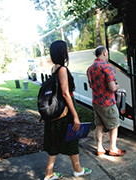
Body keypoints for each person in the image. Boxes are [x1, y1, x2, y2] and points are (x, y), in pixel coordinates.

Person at [43, 40, 92, 180]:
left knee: (58, 140)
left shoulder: (55, 68)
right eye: (66, 49)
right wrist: (75, 115)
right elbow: (65, 93)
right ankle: (74, 170)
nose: (68, 52)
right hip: (65, 110)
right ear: (61, 52)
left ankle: (55, 172)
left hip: (57, 110)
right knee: (71, 138)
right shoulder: (62, 70)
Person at [87, 46, 126, 156]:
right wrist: (118, 86)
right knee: (114, 125)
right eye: (107, 53)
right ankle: (113, 148)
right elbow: (112, 88)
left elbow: (91, 85)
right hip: (107, 102)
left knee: (99, 125)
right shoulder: (106, 67)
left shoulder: (90, 69)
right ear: (104, 53)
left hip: (96, 102)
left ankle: (100, 148)